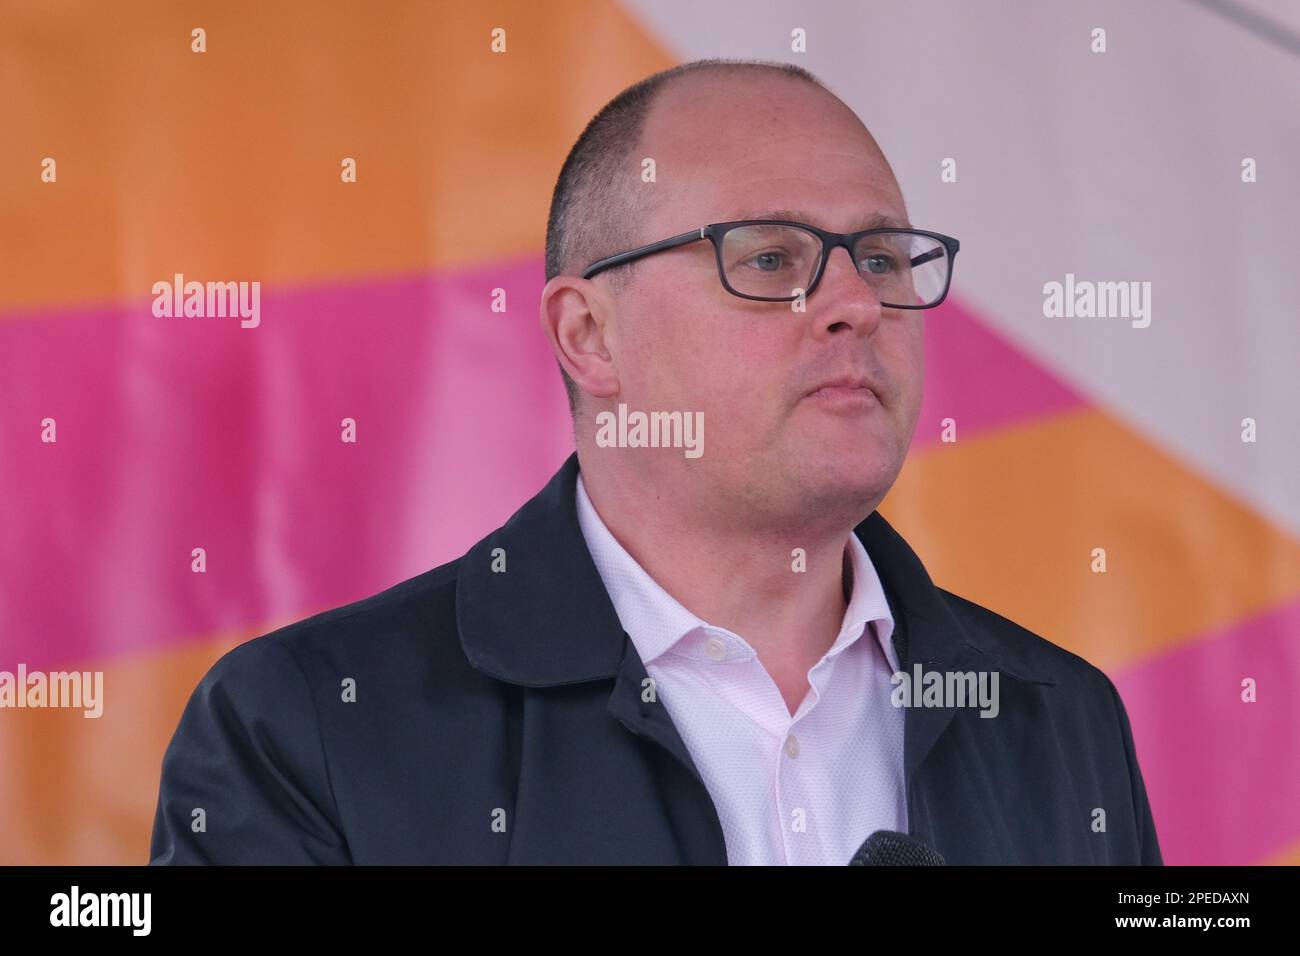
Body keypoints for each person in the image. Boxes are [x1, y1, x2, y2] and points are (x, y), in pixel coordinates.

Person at [150, 57, 1161, 865]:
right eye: (770, 258)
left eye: (884, 256)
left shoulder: (1058, 716)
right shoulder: (307, 728)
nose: (856, 301)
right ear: (589, 333)